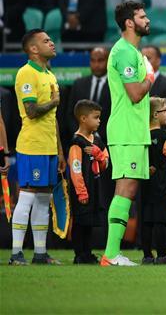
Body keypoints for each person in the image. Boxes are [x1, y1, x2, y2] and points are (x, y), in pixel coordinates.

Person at [102, 1, 154, 267]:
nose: (148, 20)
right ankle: (111, 254)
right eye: (142, 16)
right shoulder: (123, 52)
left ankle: (112, 253)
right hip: (125, 130)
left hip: (133, 130)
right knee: (125, 189)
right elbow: (135, 93)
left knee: (127, 189)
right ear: (130, 22)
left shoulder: (131, 51)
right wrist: (150, 78)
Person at [10, 28, 64, 266]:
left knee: (44, 198)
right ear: (33, 49)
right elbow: (31, 112)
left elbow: (54, 118)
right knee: (28, 195)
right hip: (32, 146)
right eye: (46, 41)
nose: (52, 43)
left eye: (51, 39)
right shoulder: (26, 73)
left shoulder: (50, 75)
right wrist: (52, 102)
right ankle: (16, 253)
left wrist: (60, 151)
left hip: (49, 147)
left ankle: (40, 253)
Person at [67, 99, 108, 265]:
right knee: (80, 221)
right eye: (96, 117)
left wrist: (99, 155)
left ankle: (88, 253)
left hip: (95, 187)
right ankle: (79, 255)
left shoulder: (97, 141)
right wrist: (81, 191)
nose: (99, 121)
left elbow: (106, 163)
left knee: (89, 222)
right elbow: (75, 168)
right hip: (82, 189)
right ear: (83, 118)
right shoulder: (77, 142)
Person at [140, 96, 166, 265]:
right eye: (165, 111)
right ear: (156, 114)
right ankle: (162, 255)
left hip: (145, 185)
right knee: (160, 221)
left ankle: (147, 256)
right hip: (162, 186)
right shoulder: (165, 135)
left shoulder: (141, 136)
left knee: (147, 220)